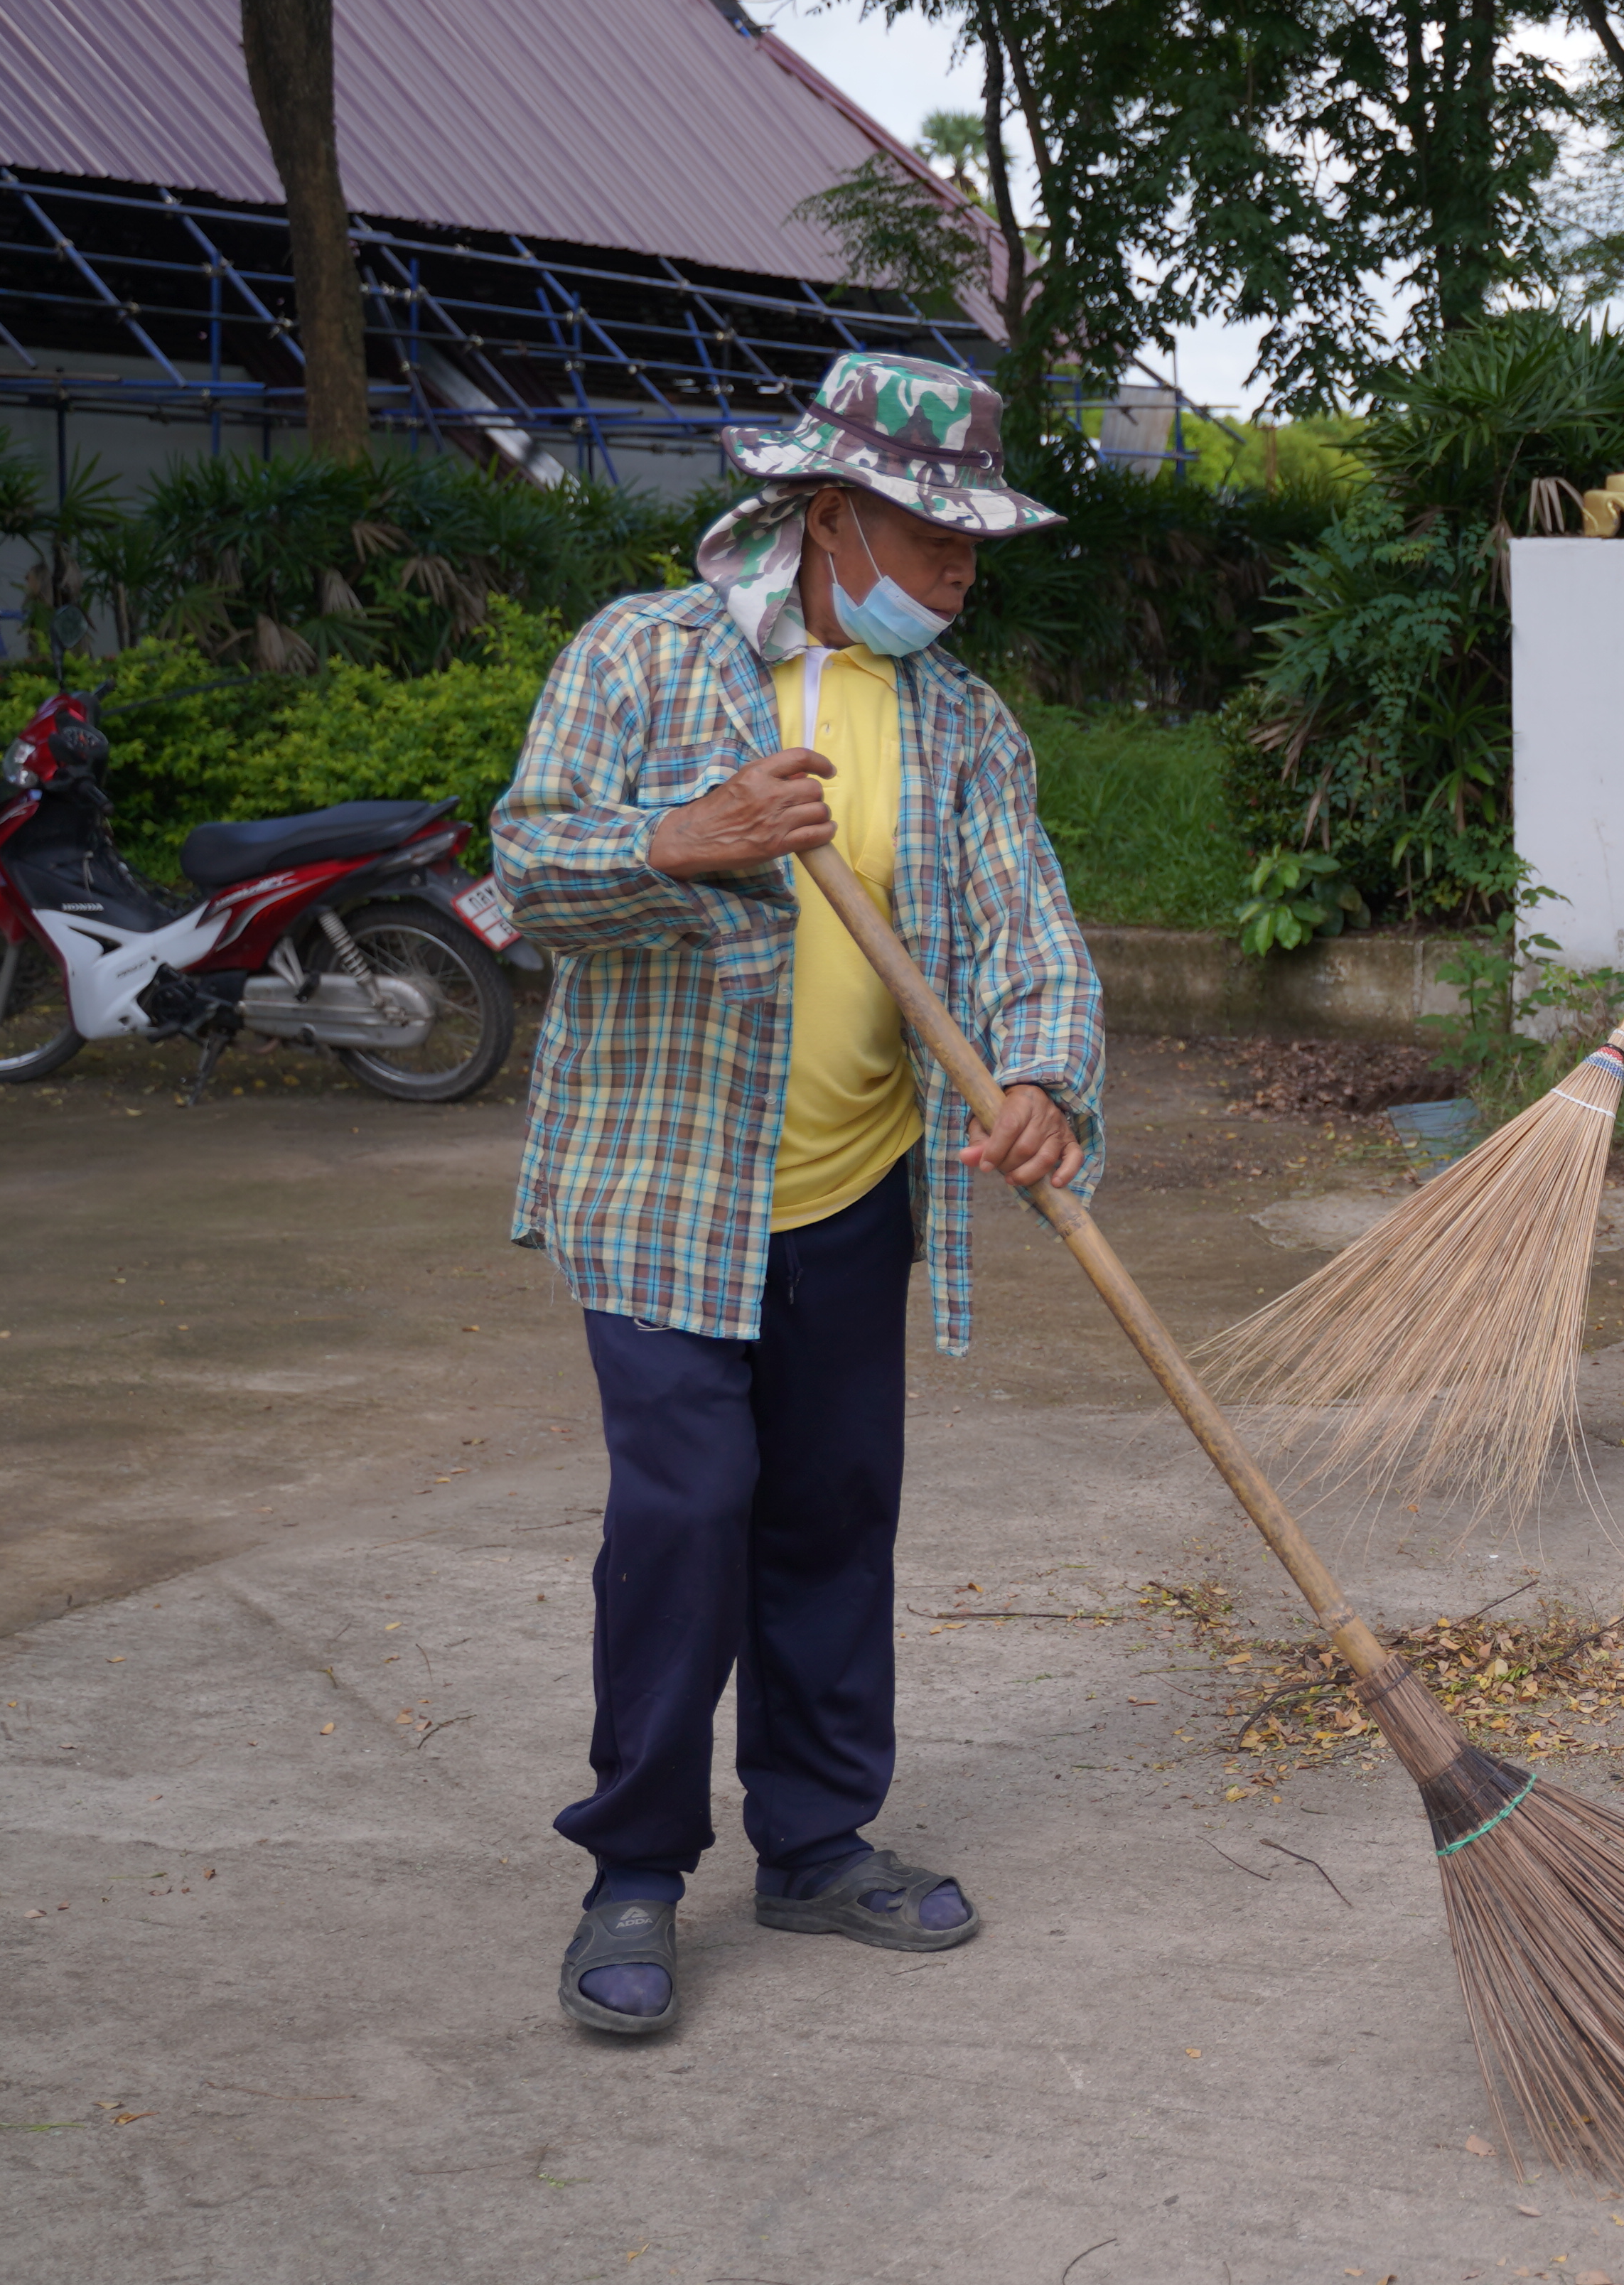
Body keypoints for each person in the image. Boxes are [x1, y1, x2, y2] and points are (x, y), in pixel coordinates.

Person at [496, 353, 1103, 2037]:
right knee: (688, 1516)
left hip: (856, 1188)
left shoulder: (959, 717)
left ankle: (818, 1837)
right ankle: (633, 1868)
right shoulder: (644, 655)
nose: (962, 568)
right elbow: (523, 875)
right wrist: (679, 838)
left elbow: (1028, 925)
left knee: (834, 1508)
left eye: (975, 537)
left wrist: (1045, 1078)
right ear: (829, 516)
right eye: (931, 533)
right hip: (661, 1186)